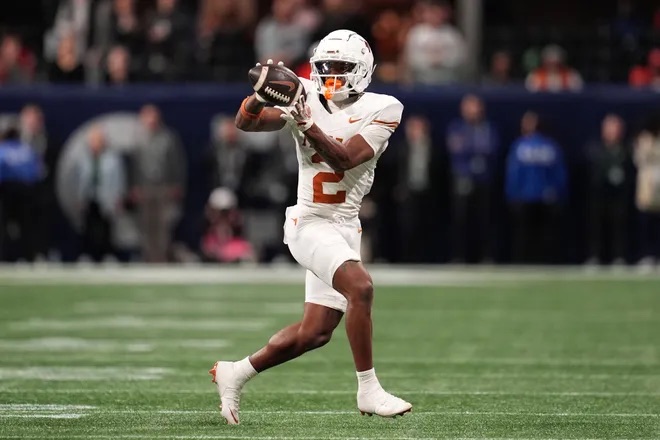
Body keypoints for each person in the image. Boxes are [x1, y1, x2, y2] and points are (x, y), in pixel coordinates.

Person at [209, 29, 412, 424]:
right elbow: (246, 123)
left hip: (345, 225)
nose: (330, 75)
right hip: (309, 221)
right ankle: (369, 389)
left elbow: (345, 159)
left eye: (340, 67)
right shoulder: (304, 93)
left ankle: (236, 372)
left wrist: (307, 124)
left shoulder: (384, 107)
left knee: (315, 333)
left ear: (362, 70)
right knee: (361, 288)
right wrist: (259, 97)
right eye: (325, 66)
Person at [506, 112, 567, 264]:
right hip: (533, 198)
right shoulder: (546, 145)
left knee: (538, 237)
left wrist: (513, 195)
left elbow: (558, 173)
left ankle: (533, 262)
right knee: (529, 236)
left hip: (536, 198)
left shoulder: (529, 146)